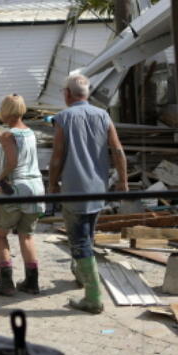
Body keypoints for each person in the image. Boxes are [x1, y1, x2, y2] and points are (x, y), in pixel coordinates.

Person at [48, 73, 128, 314]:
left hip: (74, 189)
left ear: (67, 94)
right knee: (88, 234)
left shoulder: (63, 117)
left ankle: (93, 297)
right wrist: (123, 181)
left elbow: (58, 156)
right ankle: (83, 275)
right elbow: (118, 149)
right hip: (98, 188)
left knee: (80, 240)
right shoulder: (103, 115)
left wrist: (52, 185)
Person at [0, 94, 46, 296]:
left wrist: (1, 179)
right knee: (27, 236)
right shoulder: (30, 133)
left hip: (15, 188)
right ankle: (32, 283)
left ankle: (6, 282)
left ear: (5, 111)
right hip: (36, 189)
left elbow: (12, 161)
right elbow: (9, 143)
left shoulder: (10, 135)